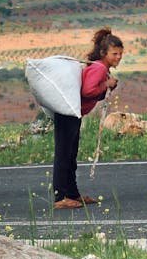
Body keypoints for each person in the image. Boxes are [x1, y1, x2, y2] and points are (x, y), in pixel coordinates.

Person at [52, 27, 122, 209]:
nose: (118, 57)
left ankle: (72, 194)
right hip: (68, 114)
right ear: (103, 53)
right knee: (64, 155)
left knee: (70, 155)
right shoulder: (99, 69)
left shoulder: (101, 68)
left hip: (73, 113)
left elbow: (93, 95)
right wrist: (106, 84)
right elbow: (87, 91)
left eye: (120, 54)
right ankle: (60, 198)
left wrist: (108, 87)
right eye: (114, 54)